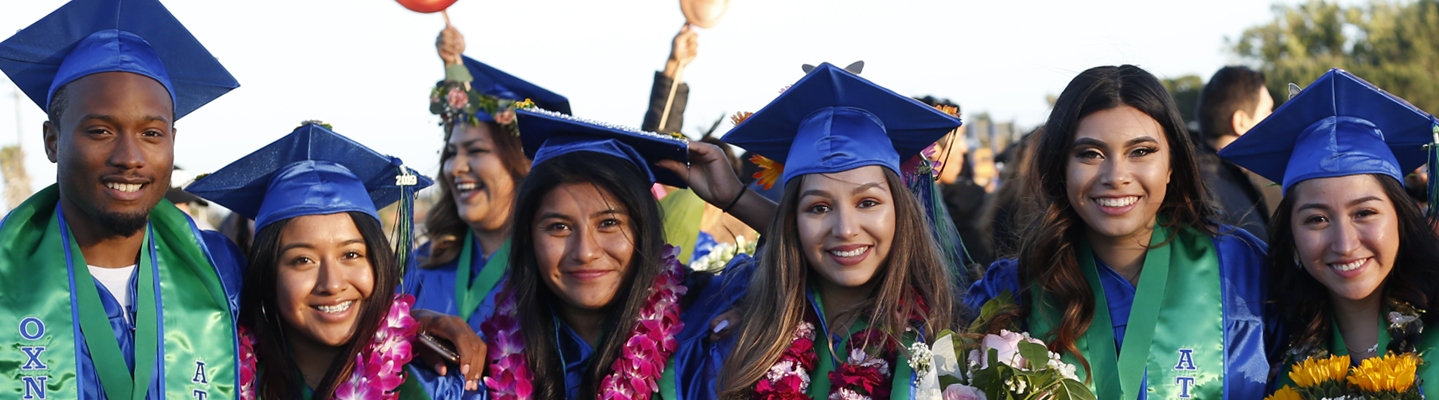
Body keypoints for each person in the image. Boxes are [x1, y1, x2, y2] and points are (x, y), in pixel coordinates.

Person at [966, 65, 1272, 399]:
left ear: (1173, 164)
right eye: (1090, 154)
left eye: (1141, 151)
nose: (1116, 175)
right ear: (1061, 168)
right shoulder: (1013, 289)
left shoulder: (1246, 271)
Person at [0, 1, 247, 398]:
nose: (130, 157)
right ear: (53, 141)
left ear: (172, 142)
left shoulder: (221, 270)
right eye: (100, 131)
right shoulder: (3, 272)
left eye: (151, 133)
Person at [676, 63, 966, 399]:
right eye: (819, 208)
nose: (845, 229)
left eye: (868, 203)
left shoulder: (950, 341)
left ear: (902, 211)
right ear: (792, 221)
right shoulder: (742, 342)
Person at [187, 123, 480, 399]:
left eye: (351, 254)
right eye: (303, 260)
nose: (332, 283)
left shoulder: (439, 387)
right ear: (268, 274)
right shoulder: (214, 380)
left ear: (377, 261)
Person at [478, 107, 730, 399]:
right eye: (558, 227)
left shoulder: (711, 326)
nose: (585, 252)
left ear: (643, 229)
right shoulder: (495, 358)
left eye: (609, 223)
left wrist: (737, 199)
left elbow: (795, 291)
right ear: (528, 237)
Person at [1218, 69, 1439, 387]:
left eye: (1364, 213)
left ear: (1402, 218)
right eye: (1316, 219)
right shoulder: (1285, 370)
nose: (1345, 244)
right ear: (1291, 233)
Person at [408, 24, 571, 335]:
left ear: (523, 163)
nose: (456, 167)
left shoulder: (556, 268)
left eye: (476, 150)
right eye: (452, 152)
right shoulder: (425, 262)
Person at [1195, 66, 1279, 239]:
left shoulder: (1201, 176)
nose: (1274, 120)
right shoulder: (1213, 193)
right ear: (1240, 122)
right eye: (1266, 112)